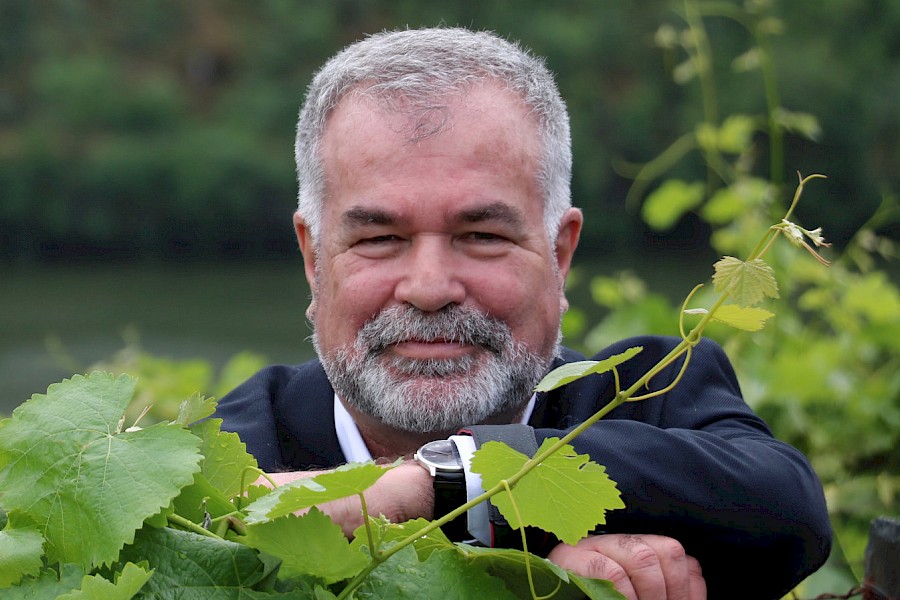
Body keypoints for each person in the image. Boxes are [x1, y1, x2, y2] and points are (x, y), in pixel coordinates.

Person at [215, 27, 832, 599]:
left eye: (482, 235)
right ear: (314, 259)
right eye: (380, 239)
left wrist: (432, 486)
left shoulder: (649, 392)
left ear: (560, 254)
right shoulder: (232, 451)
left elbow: (787, 507)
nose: (429, 288)